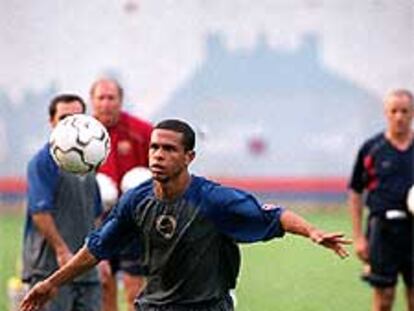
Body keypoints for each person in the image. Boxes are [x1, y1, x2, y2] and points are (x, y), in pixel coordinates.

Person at [20, 119, 350, 311]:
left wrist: (312, 232)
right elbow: (96, 248)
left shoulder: (214, 200)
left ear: (189, 156)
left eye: (169, 149)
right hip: (155, 306)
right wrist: (50, 283)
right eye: (154, 148)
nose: (158, 155)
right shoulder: (137, 200)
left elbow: (276, 216)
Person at [21, 94, 103, 311]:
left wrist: (99, 256)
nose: (70, 124)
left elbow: (95, 214)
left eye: (76, 117)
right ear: (52, 122)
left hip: (86, 270)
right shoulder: (42, 162)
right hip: (50, 269)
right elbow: (40, 213)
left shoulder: (90, 162)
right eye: (64, 117)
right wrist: (62, 250)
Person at [90, 78, 152, 311]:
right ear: (93, 101)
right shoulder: (83, 136)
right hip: (98, 221)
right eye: (101, 98)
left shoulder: (142, 131)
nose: (106, 104)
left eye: (111, 98)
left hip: (133, 222)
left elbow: (162, 168)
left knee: (134, 286)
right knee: (104, 283)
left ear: (120, 100)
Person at [348, 89, 414, 311]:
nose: (399, 116)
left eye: (404, 111)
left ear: (412, 113)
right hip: (383, 232)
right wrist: (358, 237)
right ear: (386, 113)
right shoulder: (371, 149)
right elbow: (356, 191)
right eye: (394, 111)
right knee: (383, 298)